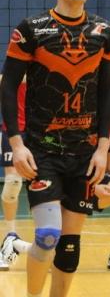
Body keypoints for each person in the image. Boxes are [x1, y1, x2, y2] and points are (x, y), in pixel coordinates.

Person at [0, 0, 110, 297]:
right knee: (48, 235)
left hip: (84, 152)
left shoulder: (103, 32)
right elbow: (8, 87)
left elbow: (105, 92)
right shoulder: (32, 29)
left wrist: (103, 149)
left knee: (68, 243)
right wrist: (17, 144)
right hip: (42, 149)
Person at [1, 89, 110, 272]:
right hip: (71, 183)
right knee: (53, 247)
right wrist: (90, 187)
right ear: (108, 106)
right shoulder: (82, 124)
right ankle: (15, 243)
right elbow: (65, 164)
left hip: (91, 182)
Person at [0, 83, 26, 271]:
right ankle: (10, 238)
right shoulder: (10, 69)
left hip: (42, 129)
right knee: (13, 182)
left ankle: (48, 246)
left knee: (45, 184)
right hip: (13, 129)